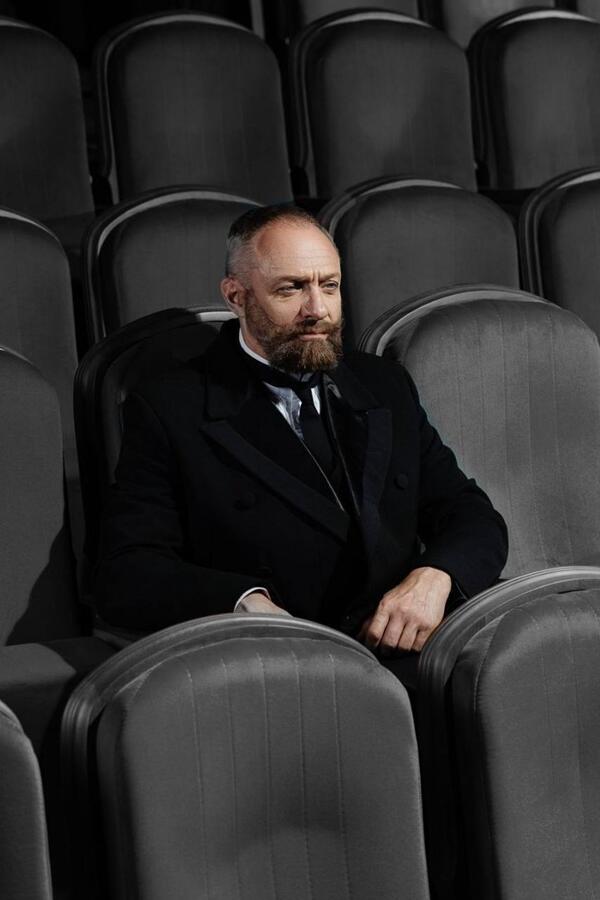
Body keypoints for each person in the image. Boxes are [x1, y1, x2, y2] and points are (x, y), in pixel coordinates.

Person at [94, 205, 508, 687]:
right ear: (236, 296)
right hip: (273, 670)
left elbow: (472, 514)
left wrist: (435, 576)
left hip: (404, 655)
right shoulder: (171, 407)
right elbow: (126, 572)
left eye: (329, 286)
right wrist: (244, 605)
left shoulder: (384, 384)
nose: (318, 310)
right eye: (291, 288)